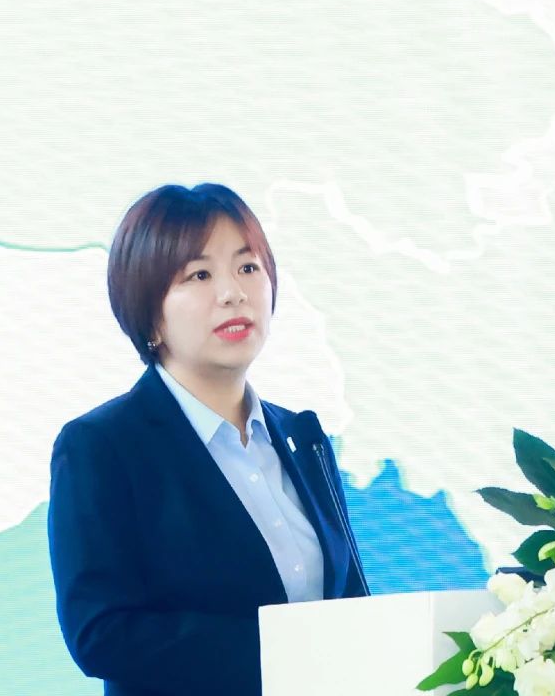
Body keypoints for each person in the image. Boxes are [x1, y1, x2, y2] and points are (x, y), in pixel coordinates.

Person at [47, 183, 368, 696]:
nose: (233, 293)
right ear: (150, 311)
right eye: (200, 275)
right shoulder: (102, 447)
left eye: (248, 267)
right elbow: (102, 633)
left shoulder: (302, 436)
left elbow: (348, 599)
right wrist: (287, 652)